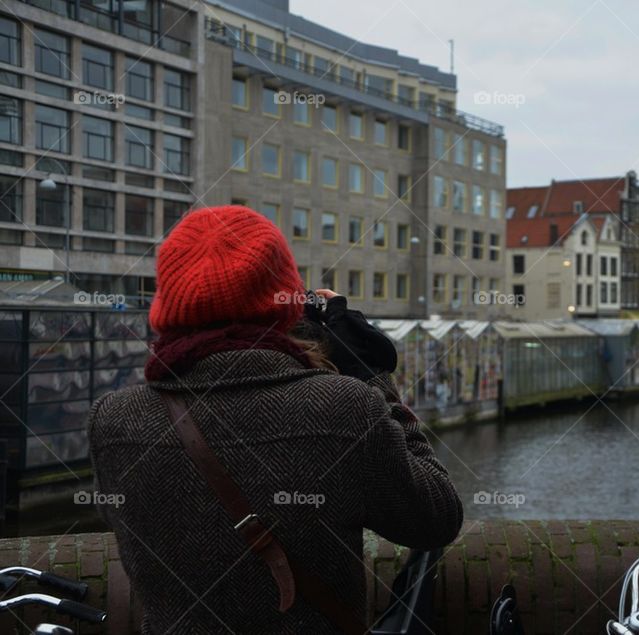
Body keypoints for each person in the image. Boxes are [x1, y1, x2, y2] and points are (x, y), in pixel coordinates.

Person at [87, 205, 463, 634]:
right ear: (284, 301)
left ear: (169, 302)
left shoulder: (114, 420)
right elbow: (437, 519)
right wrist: (370, 377)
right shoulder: (343, 408)